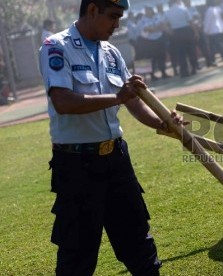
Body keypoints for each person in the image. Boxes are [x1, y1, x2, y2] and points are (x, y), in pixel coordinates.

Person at [38, 0, 185, 274]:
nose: (117, 25)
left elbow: (133, 102)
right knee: (78, 254)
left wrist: (162, 124)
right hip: (77, 165)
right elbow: (63, 101)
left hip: (117, 159)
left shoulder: (111, 52)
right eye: (113, 16)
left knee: (139, 242)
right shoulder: (56, 47)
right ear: (92, 10)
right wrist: (118, 96)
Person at [165, 0, 199, 77]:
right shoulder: (183, 9)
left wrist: (170, 32)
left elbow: (163, 24)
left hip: (176, 32)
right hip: (186, 30)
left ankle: (184, 71)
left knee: (181, 53)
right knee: (191, 51)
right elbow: (191, 22)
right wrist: (195, 32)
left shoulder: (168, 12)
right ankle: (193, 68)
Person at [137, 5, 170, 80]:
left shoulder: (157, 16)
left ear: (151, 10)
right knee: (151, 58)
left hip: (159, 39)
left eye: (148, 10)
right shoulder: (142, 20)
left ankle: (163, 72)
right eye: (146, 10)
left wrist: (154, 29)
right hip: (148, 41)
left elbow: (162, 25)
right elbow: (147, 29)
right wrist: (156, 28)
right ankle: (151, 75)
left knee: (161, 56)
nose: (147, 11)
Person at [203, 0, 223, 65]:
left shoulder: (209, 11)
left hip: (212, 30)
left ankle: (220, 57)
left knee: (214, 45)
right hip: (220, 27)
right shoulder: (217, 9)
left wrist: (206, 30)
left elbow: (207, 22)